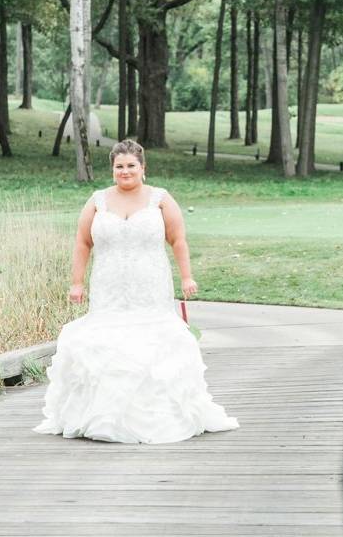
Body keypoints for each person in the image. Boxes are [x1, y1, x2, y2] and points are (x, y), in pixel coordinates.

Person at [34, 139, 238, 443]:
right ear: (112, 169)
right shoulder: (97, 201)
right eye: (119, 167)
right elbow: (82, 242)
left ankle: (158, 415)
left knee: (152, 343)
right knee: (108, 343)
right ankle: (102, 415)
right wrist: (76, 282)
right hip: (108, 285)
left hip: (150, 284)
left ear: (142, 168)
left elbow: (178, 240)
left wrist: (187, 277)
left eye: (131, 166)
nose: (125, 171)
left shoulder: (160, 199)